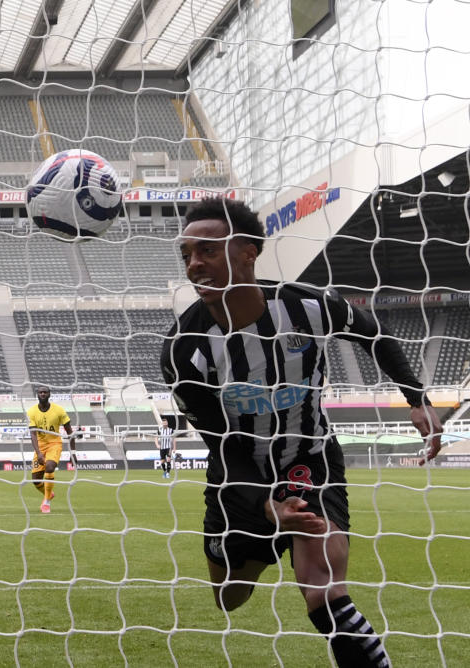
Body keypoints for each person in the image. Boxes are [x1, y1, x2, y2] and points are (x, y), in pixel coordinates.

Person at [161, 197, 443, 667]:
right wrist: (265, 506)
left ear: (248, 252)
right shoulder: (184, 351)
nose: (194, 264)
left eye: (207, 250)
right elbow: (222, 447)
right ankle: (265, 542)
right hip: (240, 476)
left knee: (323, 584)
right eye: (187, 254)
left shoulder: (307, 305)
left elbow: (373, 331)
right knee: (229, 596)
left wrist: (416, 398)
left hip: (309, 458)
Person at [27, 386, 76, 514]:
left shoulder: (59, 410)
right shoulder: (32, 411)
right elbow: (33, 434)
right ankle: (49, 494)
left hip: (54, 444)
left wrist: (73, 453)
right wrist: (38, 453)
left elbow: (70, 432)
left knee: (49, 467)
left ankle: (46, 502)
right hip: (41, 446)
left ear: (49, 394)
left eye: (45, 392)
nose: (42, 394)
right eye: (40, 392)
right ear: (37, 395)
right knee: (36, 479)